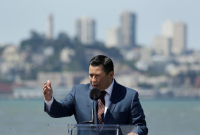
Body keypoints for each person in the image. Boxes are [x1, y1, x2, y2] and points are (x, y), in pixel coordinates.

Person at [43, 55, 148, 135]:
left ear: (111, 75)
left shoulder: (129, 96)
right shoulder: (78, 92)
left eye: (97, 76)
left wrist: (135, 133)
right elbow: (58, 110)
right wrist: (49, 99)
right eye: (91, 75)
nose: (93, 80)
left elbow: (141, 126)